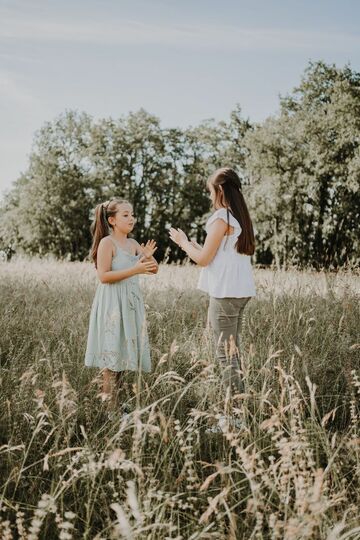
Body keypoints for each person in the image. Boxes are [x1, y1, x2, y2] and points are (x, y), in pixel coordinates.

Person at [169, 167, 256, 431]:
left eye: (211, 191)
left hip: (225, 293)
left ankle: (234, 419)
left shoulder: (221, 217)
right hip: (239, 291)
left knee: (225, 356)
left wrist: (184, 243)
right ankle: (237, 414)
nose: (211, 197)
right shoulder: (240, 217)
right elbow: (215, 255)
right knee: (232, 353)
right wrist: (195, 246)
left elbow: (204, 259)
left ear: (219, 190)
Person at [84, 198, 158, 416]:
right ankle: (109, 410)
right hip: (112, 304)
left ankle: (116, 403)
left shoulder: (134, 244)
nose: (131, 218)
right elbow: (104, 276)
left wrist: (148, 258)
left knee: (124, 355)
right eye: (125, 215)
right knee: (111, 359)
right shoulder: (107, 243)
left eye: (132, 214)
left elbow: (154, 270)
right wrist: (135, 270)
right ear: (112, 220)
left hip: (130, 304)